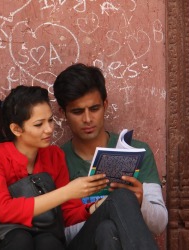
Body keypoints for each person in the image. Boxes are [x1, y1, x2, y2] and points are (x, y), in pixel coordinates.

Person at [0, 85, 157, 250]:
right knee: (21, 239)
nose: (49, 129)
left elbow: (68, 214)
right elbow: (3, 211)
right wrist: (68, 192)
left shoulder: (53, 156)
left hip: (47, 241)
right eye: (39, 124)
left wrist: (99, 203)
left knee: (118, 203)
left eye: (50, 121)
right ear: (16, 129)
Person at [53, 63, 168, 244]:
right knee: (117, 205)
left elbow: (159, 224)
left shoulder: (137, 152)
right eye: (77, 112)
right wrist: (105, 209)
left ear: (105, 105)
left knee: (107, 230)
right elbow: (57, 236)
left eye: (94, 109)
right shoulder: (56, 160)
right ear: (63, 113)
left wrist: (140, 202)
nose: (88, 119)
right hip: (81, 244)